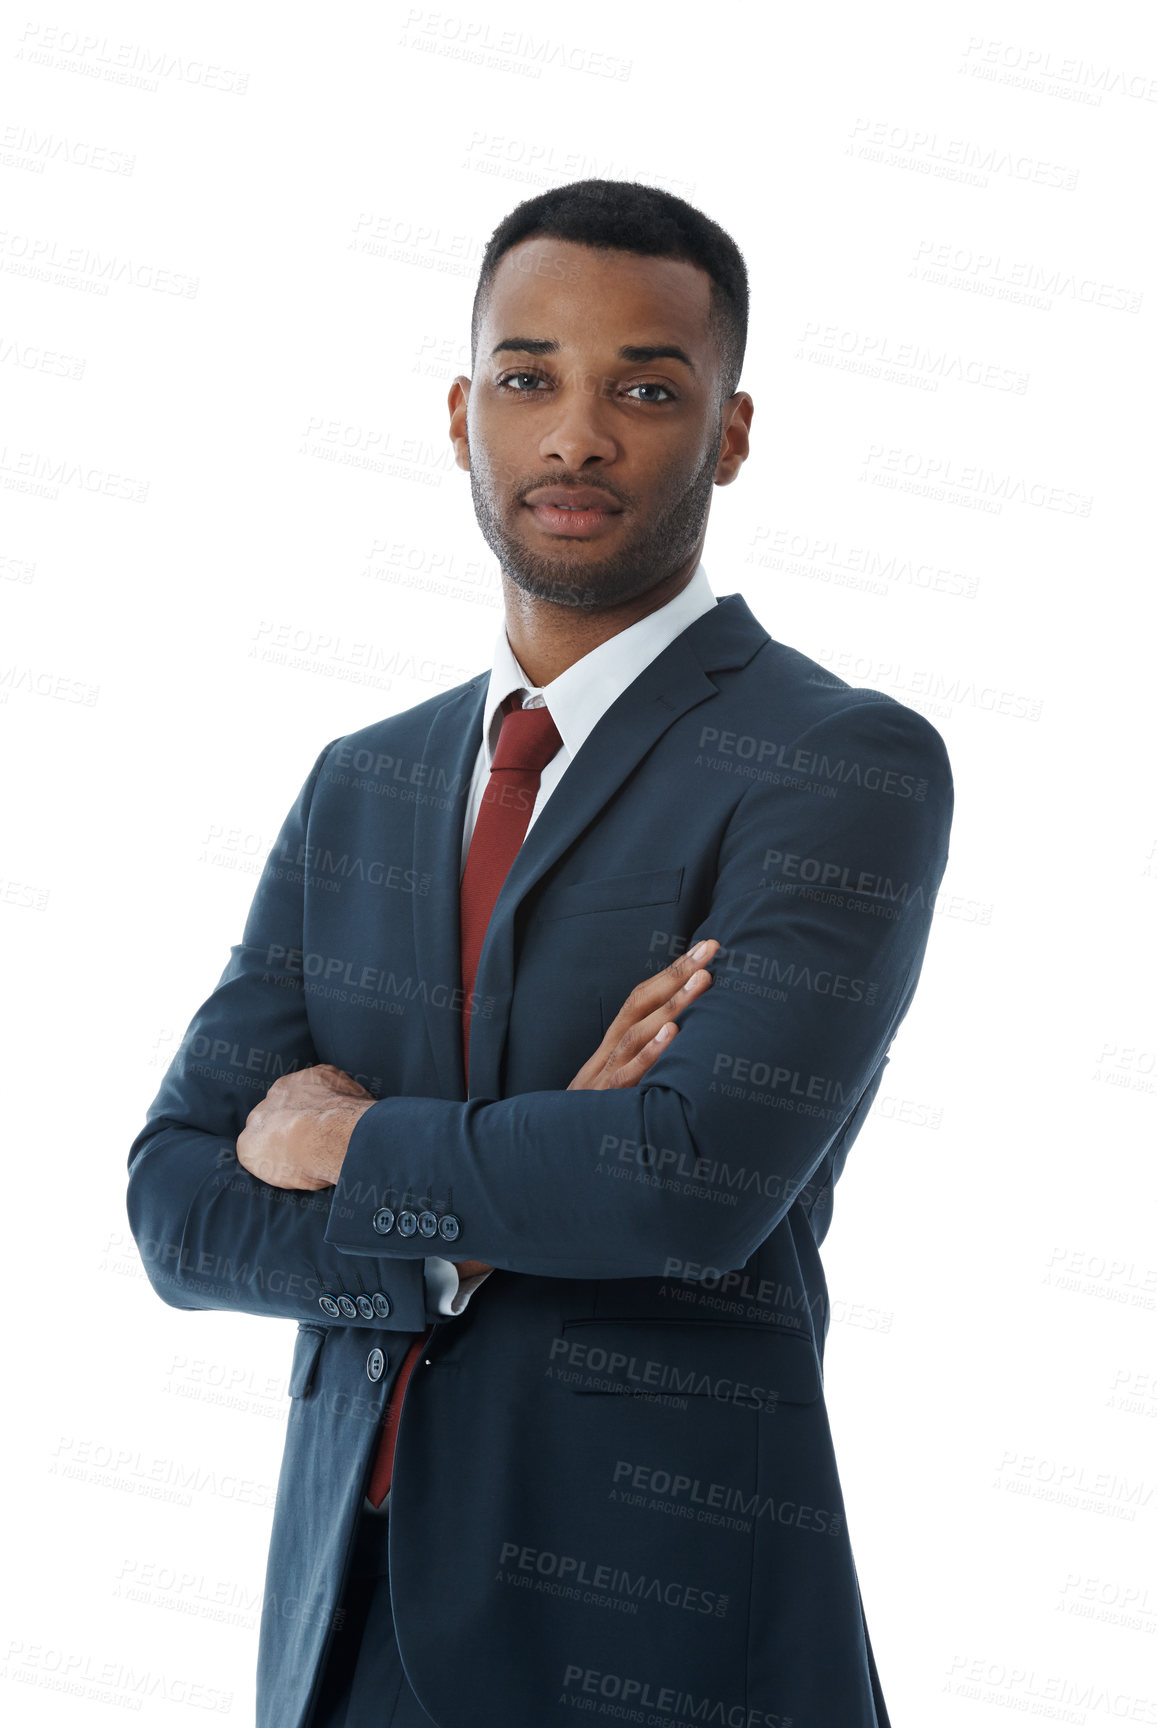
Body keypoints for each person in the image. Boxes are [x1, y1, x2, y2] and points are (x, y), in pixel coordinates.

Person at [127, 178, 953, 1728]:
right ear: (461, 412)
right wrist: (475, 1218)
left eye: (646, 387)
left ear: (729, 433)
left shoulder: (835, 761)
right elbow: (176, 1204)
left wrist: (348, 1140)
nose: (576, 434)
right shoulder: (359, 779)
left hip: (657, 1640)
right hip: (338, 1638)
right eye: (530, 378)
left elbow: (687, 1183)